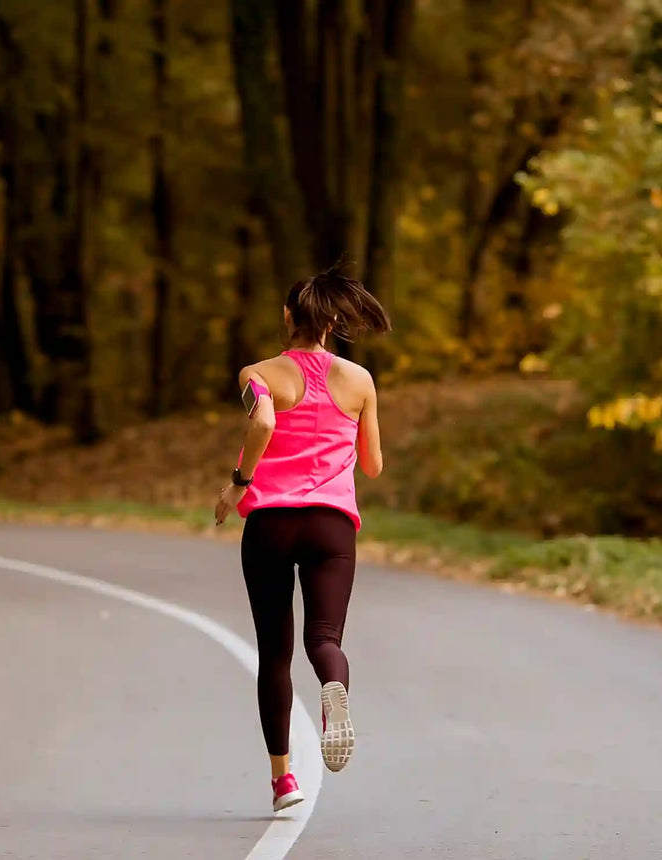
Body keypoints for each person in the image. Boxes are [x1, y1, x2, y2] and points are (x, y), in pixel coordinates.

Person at [214, 267, 390, 813]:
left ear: (287, 317)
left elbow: (262, 423)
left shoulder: (257, 374)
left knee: (275, 653)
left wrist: (237, 485)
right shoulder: (359, 380)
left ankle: (283, 782)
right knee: (324, 640)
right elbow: (373, 465)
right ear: (333, 322)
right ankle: (334, 689)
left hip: (270, 523)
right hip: (330, 525)